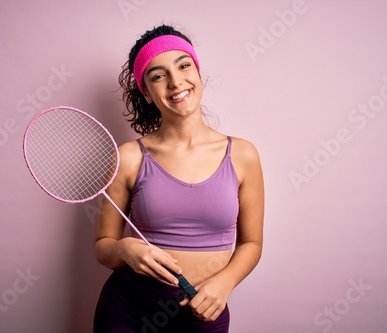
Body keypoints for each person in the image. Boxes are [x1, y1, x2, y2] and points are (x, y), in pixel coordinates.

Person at [93, 24, 264, 332]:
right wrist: (124, 249)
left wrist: (225, 282)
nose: (175, 82)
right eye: (158, 75)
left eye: (183, 65)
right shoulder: (130, 158)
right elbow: (103, 245)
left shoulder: (242, 154)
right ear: (146, 92)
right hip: (128, 311)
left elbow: (251, 243)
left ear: (197, 73)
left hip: (203, 315)